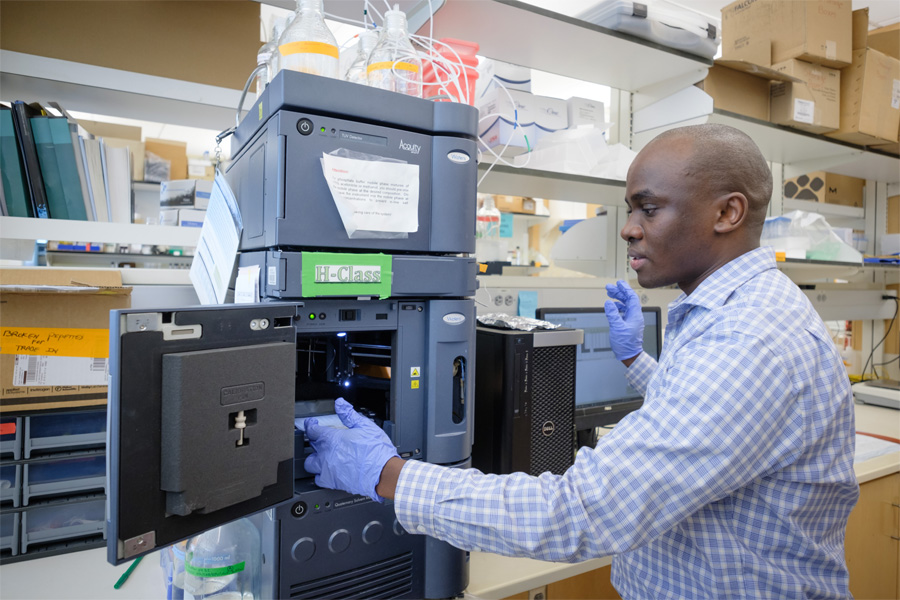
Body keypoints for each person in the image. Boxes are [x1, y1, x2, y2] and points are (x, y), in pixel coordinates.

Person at [303, 123, 859, 599]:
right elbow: (719, 425)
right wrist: (637, 360)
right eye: (629, 209)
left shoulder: (747, 337)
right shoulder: (740, 311)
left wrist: (389, 476)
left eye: (649, 207)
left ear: (727, 212)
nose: (628, 227)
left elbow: (587, 511)